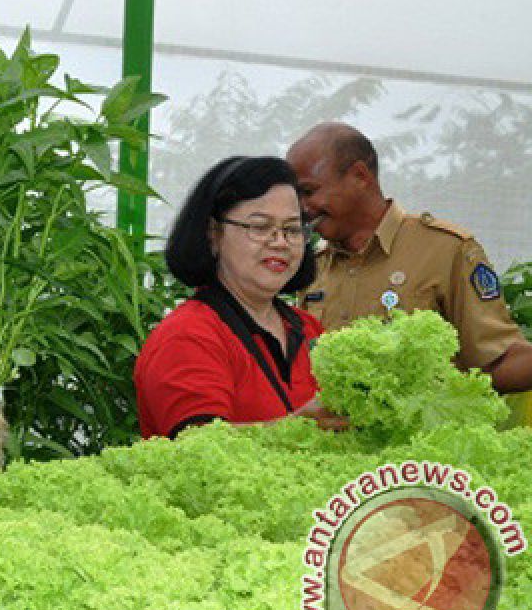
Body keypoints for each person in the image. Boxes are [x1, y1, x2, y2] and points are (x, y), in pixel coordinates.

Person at [286, 122, 532, 394]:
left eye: (308, 192)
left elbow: (500, 359)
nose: (301, 208)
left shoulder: (445, 250)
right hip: (331, 435)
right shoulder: (313, 264)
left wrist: (438, 394)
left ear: (360, 176)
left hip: (421, 435)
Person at [134, 156, 341, 439]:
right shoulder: (187, 335)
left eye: (292, 229)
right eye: (259, 226)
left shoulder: (307, 329)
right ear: (213, 234)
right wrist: (299, 428)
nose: (280, 242)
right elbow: (198, 447)